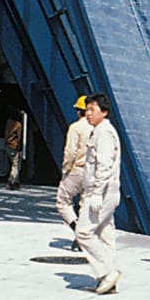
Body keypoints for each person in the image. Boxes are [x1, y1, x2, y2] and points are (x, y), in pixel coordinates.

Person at [78, 95, 122, 295]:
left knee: (84, 232)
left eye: (92, 110)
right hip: (106, 191)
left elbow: (103, 165)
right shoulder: (101, 131)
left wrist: (95, 193)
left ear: (104, 112)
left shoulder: (104, 133)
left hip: (102, 192)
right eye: (87, 109)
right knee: (105, 234)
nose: (88, 113)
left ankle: (107, 271)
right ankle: (107, 281)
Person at [56, 95, 93, 233]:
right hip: (93, 172)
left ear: (79, 111)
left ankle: (76, 227)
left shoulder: (76, 127)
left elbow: (70, 151)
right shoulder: (98, 128)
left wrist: (65, 169)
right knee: (85, 204)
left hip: (77, 170)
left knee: (62, 201)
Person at [4, 111, 25, 190]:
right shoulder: (18, 125)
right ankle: (13, 181)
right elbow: (19, 137)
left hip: (8, 145)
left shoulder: (8, 122)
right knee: (16, 165)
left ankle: (13, 180)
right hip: (14, 146)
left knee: (13, 164)